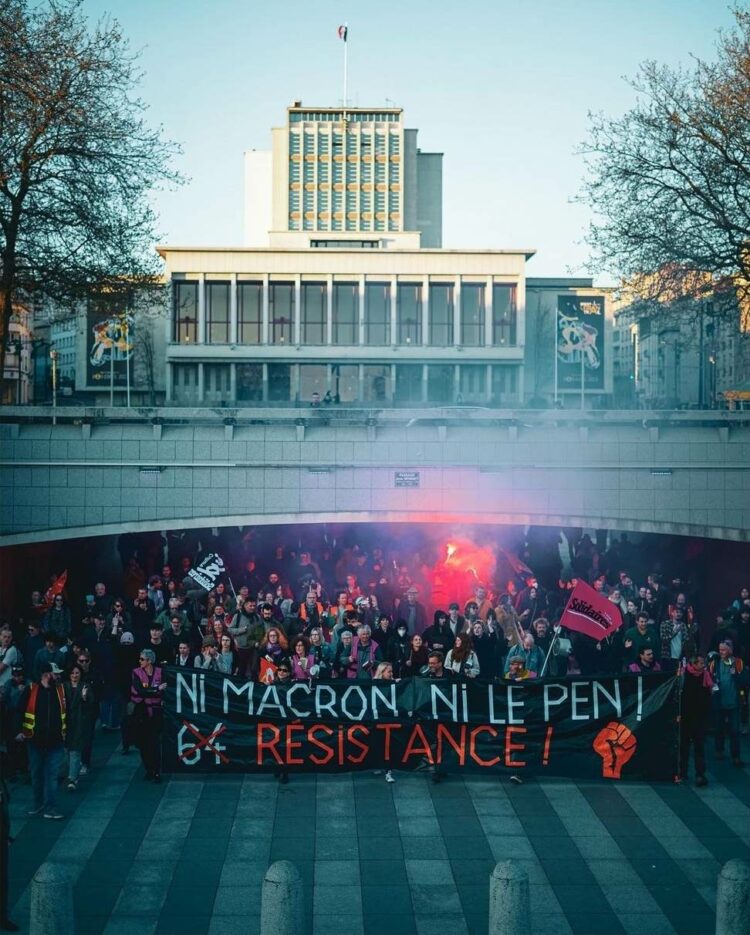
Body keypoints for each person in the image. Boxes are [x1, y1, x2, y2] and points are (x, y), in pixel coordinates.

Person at [19, 661, 67, 820]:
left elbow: (68, 713)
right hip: (34, 741)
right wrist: (18, 731)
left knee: (52, 776)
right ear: (47, 675)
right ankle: (38, 803)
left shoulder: (61, 690)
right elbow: (19, 710)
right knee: (37, 774)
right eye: (55, 673)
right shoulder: (31, 690)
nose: (58, 676)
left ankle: (51, 807)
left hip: (55, 742)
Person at [708, 641, 747, 767]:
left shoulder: (738, 663)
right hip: (720, 702)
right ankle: (719, 751)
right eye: (720, 649)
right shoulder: (715, 663)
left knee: (734, 731)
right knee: (719, 729)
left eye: (724, 650)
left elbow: (745, 681)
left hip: (734, 703)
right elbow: (710, 678)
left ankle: (735, 756)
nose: (721, 652)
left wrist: (735, 675)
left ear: (730, 650)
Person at [130, 649, 165, 782]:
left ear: (149, 661)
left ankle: (156, 770)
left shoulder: (160, 672)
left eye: (142, 659)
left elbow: (165, 688)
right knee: (143, 743)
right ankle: (148, 769)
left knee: (155, 742)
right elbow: (140, 690)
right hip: (141, 712)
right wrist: (156, 690)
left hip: (156, 712)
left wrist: (158, 693)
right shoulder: (136, 673)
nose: (140, 661)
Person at [678, 655, 713, 787]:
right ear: (694, 664)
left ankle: (700, 774)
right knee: (684, 746)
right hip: (686, 716)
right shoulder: (683, 674)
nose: (703, 665)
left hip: (699, 717)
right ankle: (682, 772)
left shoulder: (705, 675)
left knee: (699, 747)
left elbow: (709, 692)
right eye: (701, 663)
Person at [64, 664, 95, 791]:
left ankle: (72, 778)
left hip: (79, 722)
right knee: (66, 750)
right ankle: (73, 771)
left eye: (77, 673)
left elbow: (91, 704)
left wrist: (84, 697)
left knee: (75, 750)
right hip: (65, 721)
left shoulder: (85, 686)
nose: (75, 676)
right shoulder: (63, 687)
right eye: (72, 673)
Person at [373, 662, 396, 783]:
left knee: (388, 746)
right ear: (382, 672)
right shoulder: (374, 684)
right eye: (389, 672)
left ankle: (388, 771)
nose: (391, 674)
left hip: (389, 720)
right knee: (378, 744)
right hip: (378, 719)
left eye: (392, 671)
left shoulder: (394, 684)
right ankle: (378, 765)